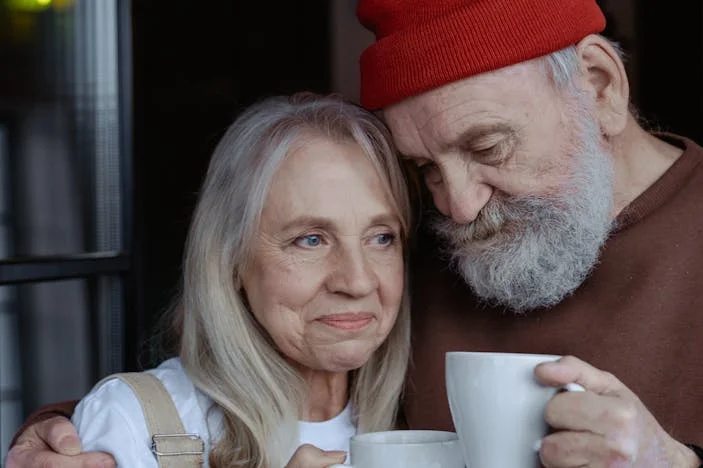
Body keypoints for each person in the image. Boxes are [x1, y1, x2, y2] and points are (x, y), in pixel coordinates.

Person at [6, 0, 703, 466]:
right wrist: (79, 432)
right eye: (422, 172)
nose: (456, 205)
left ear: (601, 87)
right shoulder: (419, 246)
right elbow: (258, 374)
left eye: (486, 149)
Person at [5, 92, 414, 468]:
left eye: (381, 237)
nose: (358, 281)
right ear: (231, 258)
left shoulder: (419, 421)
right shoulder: (134, 423)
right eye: (310, 240)